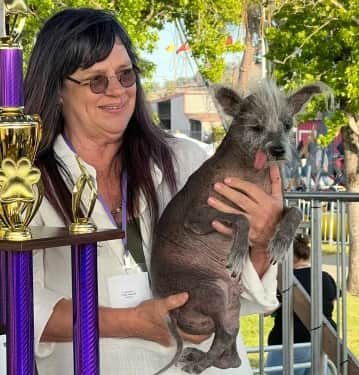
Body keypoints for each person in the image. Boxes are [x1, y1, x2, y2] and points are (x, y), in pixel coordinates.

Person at [24, 8, 284, 375]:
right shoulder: (26, 184)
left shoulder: (188, 159)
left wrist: (263, 243)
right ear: (56, 91)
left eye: (126, 75)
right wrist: (127, 321)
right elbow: (20, 306)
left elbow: (236, 287)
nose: (116, 90)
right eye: (96, 80)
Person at [265, 234, 337, 375]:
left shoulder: (283, 280)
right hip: (324, 341)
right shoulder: (326, 277)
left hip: (290, 341)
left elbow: (266, 310)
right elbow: (331, 302)